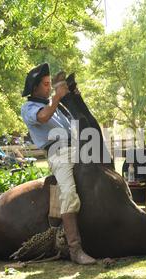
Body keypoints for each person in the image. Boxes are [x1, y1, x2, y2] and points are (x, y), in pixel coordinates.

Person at [20, 63, 96, 265]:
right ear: (35, 87)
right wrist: (56, 97)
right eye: (45, 84)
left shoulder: (56, 107)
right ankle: (75, 249)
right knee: (69, 193)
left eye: (49, 84)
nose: (48, 88)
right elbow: (43, 117)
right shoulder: (29, 107)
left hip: (77, 148)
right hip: (57, 152)